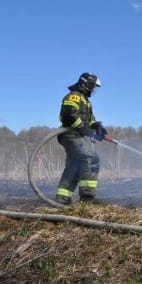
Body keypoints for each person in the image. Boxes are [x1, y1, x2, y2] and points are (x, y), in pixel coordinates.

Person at [55, 72, 108, 205]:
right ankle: (87, 198)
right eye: (93, 87)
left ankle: (62, 198)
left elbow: (89, 120)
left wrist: (97, 126)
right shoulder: (74, 96)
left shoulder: (85, 101)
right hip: (71, 135)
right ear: (87, 85)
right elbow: (69, 114)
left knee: (74, 165)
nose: (93, 90)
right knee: (91, 159)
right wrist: (83, 129)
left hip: (77, 136)